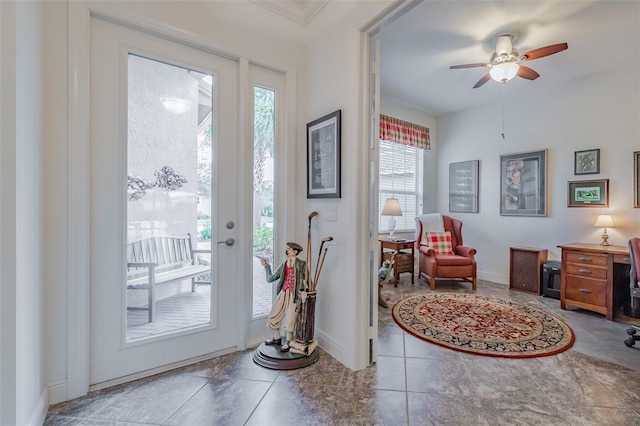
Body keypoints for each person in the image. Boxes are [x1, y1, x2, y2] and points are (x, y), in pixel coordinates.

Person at [260, 242, 307, 352]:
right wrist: (266, 266)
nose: (287, 249)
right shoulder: (283, 265)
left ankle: (289, 342)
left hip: (294, 294)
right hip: (283, 292)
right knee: (274, 314)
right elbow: (270, 279)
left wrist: (307, 292)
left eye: (289, 248)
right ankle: (277, 339)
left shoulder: (301, 264)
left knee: (290, 318)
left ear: (294, 252)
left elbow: (308, 279)